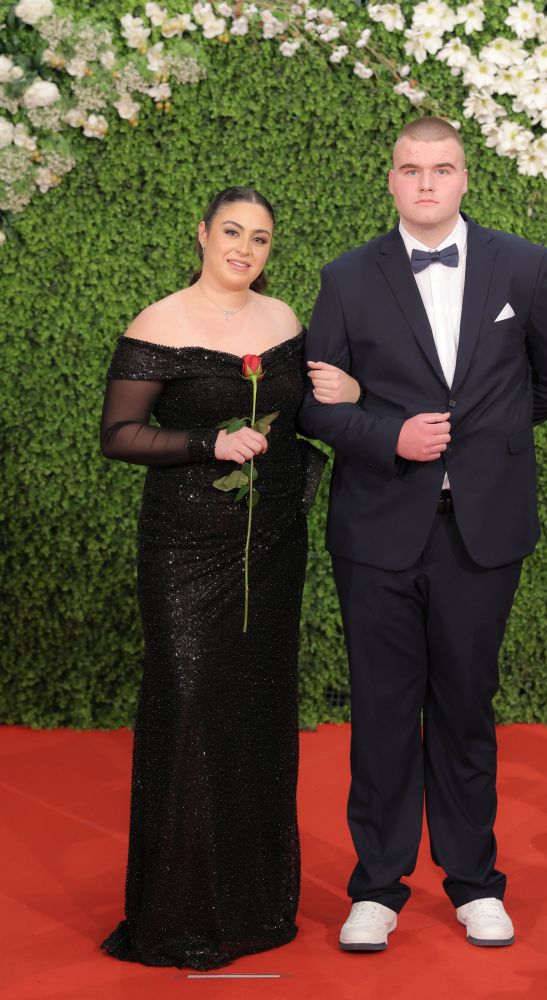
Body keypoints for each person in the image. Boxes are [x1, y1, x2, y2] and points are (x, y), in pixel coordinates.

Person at [298, 117, 547, 952]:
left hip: (481, 533)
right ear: (390, 179)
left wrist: (484, 443)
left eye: (441, 168)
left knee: (465, 707)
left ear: (465, 178)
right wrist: (387, 434)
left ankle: (473, 884)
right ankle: (376, 889)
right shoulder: (346, 276)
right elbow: (312, 405)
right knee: (382, 711)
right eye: (410, 169)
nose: (425, 183)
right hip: (376, 531)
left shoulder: (521, 264)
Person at [99, 186, 360, 970]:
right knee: (187, 706)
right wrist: (204, 443)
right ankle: (177, 915)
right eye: (232, 232)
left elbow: (301, 416)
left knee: (256, 712)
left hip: (271, 548)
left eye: (260, 238)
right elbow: (118, 434)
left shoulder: (282, 320)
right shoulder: (158, 321)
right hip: (183, 549)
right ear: (203, 234)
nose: (244, 249)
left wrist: (349, 396)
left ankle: (253, 905)